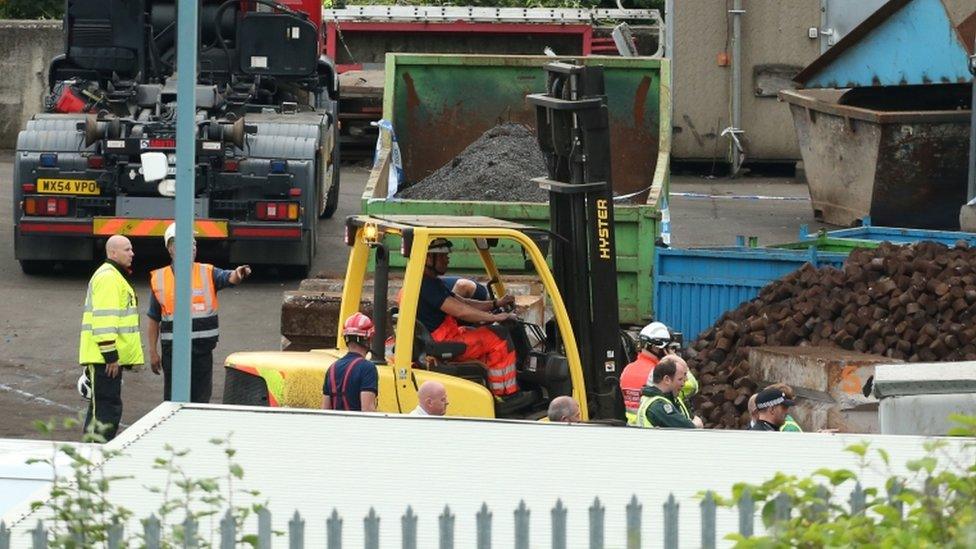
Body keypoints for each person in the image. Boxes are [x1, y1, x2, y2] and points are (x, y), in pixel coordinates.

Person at [147, 223, 251, 403]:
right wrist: (153, 352)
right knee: (174, 401)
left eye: (194, 244)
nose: (193, 247)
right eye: (189, 243)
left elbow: (229, 277)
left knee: (200, 400)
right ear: (171, 249)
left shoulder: (207, 272)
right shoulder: (160, 279)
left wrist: (239, 273)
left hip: (201, 351)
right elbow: (153, 319)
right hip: (174, 352)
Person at [417, 238, 520, 397]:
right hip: (443, 342)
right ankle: (506, 394)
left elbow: (463, 302)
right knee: (500, 337)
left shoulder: (431, 282)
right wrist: (498, 317)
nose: (447, 259)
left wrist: (495, 303)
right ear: (428, 258)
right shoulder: (427, 286)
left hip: (444, 336)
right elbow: (461, 312)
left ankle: (488, 381)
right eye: (442, 256)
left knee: (484, 332)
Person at [78, 235, 144, 441]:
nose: (132, 253)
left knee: (104, 409)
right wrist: (111, 356)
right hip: (105, 360)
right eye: (127, 249)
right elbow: (105, 320)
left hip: (105, 359)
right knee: (106, 412)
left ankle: (91, 457)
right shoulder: (109, 278)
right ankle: (95, 457)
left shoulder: (113, 276)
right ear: (112, 252)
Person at [620, 322, 699, 425]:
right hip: (655, 426)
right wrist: (677, 361)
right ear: (658, 348)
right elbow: (692, 387)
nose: (671, 350)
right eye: (668, 348)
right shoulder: (658, 373)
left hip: (633, 428)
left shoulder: (627, 369)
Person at [323, 312, 379, 411]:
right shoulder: (367, 368)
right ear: (367, 339)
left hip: (335, 425)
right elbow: (367, 410)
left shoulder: (332, 368)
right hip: (356, 425)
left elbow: (325, 409)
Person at [635, 356, 704, 429]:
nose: (684, 383)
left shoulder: (671, 399)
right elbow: (688, 428)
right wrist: (696, 425)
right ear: (667, 379)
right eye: (680, 379)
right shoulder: (658, 405)